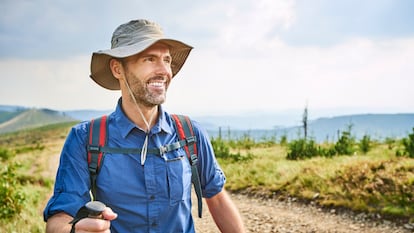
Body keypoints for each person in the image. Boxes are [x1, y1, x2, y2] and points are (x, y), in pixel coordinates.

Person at [43, 19, 245, 233]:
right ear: (117, 69)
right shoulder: (85, 138)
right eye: (149, 59)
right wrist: (74, 231)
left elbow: (217, 198)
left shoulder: (190, 133)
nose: (164, 70)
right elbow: (60, 219)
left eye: (166, 60)